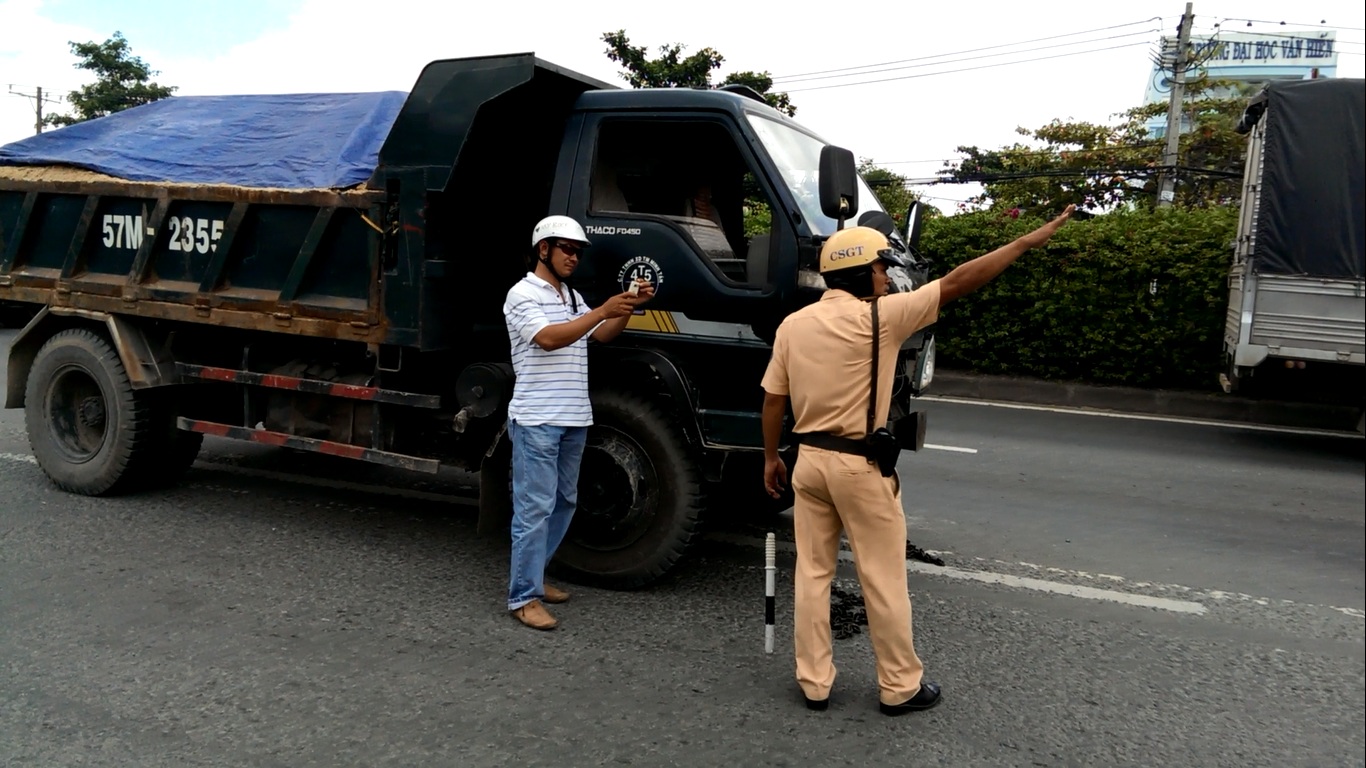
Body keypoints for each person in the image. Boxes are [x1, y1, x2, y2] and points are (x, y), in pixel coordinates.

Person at [759, 205, 1075, 714]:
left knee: (812, 574)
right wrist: (1022, 244)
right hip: (858, 467)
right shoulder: (883, 317)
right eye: (882, 268)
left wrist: (772, 456)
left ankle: (814, 682)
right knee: (882, 578)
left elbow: (774, 400)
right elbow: (957, 282)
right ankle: (900, 686)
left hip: (808, 462)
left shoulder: (794, 325)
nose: (887, 277)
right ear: (862, 273)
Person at [502, 214, 654, 631]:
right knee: (534, 509)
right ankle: (523, 596)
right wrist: (602, 309)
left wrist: (625, 308)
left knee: (564, 502)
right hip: (537, 419)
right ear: (543, 249)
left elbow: (600, 335)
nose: (574, 256)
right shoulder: (521, 295)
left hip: (573, 416)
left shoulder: (571, 295)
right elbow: (549, 339)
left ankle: (534, 577)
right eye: (566, 248)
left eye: (578, 250)